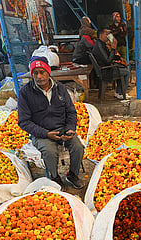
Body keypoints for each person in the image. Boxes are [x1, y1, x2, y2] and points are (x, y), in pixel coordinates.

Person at [17, 57, 84, 189]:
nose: (39, 76)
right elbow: (23, 121)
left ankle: (72, 175)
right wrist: (46, 133)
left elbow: (71, 112)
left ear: (48, 72)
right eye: (35, 73)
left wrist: (70, 129)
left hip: (62, 128)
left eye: (42, 72)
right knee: (49, 151)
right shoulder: (25, 93)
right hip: (41, 132)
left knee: (78, 147)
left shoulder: (60, 88)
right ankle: (54, 177)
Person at [92, 28, 131, 100]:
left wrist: (118, 58)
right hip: (105, 71)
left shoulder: (101, 44)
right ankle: (121, 93)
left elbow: (108, 56)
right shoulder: (99, 45)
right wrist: (113, 48)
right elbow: (108, 61)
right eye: (106, 34)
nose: (108, 36)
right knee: (127, 72)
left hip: (106, 68)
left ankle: (119, 92)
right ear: (101, 35)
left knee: (122, 69)